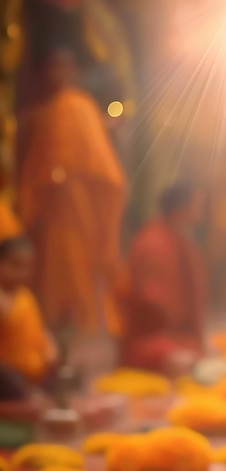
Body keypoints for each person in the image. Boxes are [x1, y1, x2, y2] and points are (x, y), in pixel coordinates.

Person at [17, 49, 127, 333]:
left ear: (74, 72)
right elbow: (33, 163)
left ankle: (85, 329)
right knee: (53, 270)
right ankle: (54, 331)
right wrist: (38, 190)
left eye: (63, 69)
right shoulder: (40, 113)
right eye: (52, 69)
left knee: (80, 269)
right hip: (50, 208)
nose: (58, 75)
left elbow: (103, 165)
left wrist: (72, 178)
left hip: (80, 206)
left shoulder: (81, 107)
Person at [116, 182, 209, 374]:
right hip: (150, 341)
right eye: (198, 204)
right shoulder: (153, 243)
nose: (203, 210)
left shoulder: (181, 239)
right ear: (181, 208)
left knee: (206, 358)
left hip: (176, 336)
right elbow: (153, 306)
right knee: (185, 363)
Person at [0, 236, 57, 400]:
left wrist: (51, 349)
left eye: (26, 266)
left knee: (67, 376)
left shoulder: (26, 296)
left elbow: (40, 331)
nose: (22, 272)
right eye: (15, 265)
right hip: (10, 375)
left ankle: (35, 394)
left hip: (37, 374)